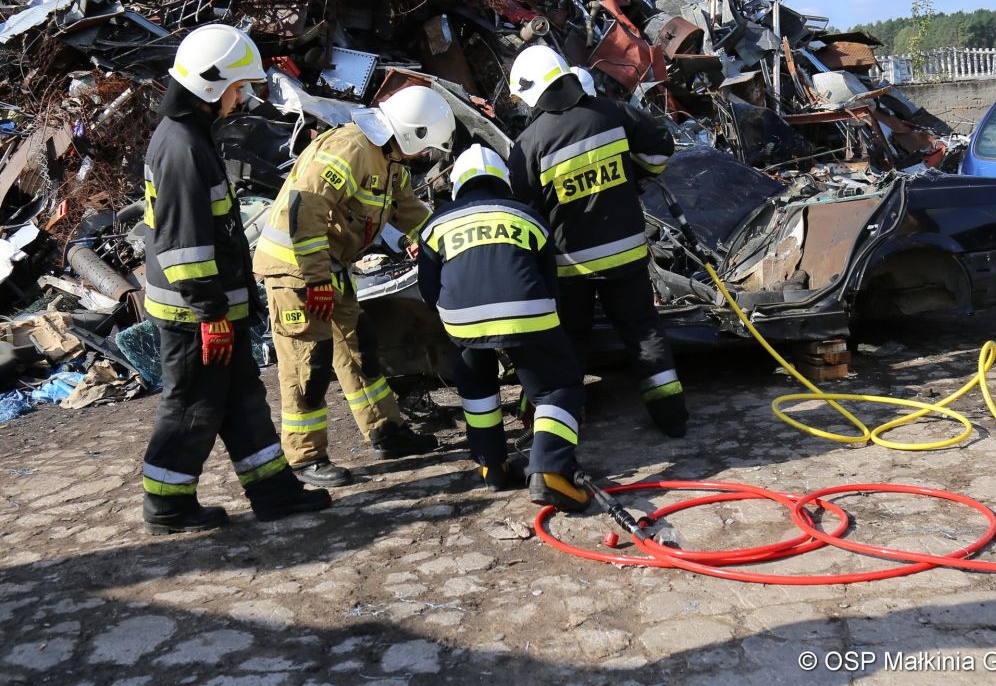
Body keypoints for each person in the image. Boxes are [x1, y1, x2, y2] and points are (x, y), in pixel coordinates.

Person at [141, 23, 331, 535]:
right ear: (210, 85)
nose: (242, 96)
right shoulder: (182, 147)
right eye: (237, 86)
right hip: (195, 313)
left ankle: (274, 492)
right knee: (193, 405)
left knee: (241, 398)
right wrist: (211, 313)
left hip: (215, 306)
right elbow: (184, 245)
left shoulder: (190, 137)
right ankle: (167, 504)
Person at [252, 85, 454, 487]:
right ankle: (305, 457)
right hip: (296, 269)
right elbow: (306, 210)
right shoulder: (350, 148)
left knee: (360, 348)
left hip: (330, 267)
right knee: (308, 363)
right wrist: (315, 280)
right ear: (411, 133)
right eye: (425, 145)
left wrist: (441, 240)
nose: (425, 155)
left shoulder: (390, 160)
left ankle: (386, 431)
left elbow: (408, 210)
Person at [506, 46, 690, 438]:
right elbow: (660, 149)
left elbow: (526, 209)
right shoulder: (614, 113)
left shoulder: (529, 142)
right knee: (643, 332)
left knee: (571, 340)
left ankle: (565, 423)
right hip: (626, 254)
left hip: (570, 266)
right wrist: (633, 176)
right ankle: (672, 416)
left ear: (531, 92)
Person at [417, 144, 588, 511]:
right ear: (503, 181)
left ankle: (492, 467)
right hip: (528, 311)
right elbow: (550, 282)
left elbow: (428, 290)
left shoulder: (436, 223)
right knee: (558, 386)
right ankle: (550, 470)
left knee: (477, 383)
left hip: (463, 319)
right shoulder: (527, 215)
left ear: (457, 185)